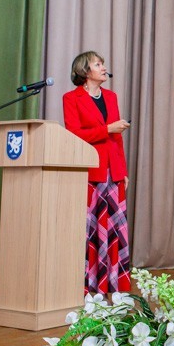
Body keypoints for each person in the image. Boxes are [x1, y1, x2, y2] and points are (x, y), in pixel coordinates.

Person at [62, 50, 132, 294]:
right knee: (92, 230)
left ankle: (114, 283)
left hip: (114, 172)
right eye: (98, 64)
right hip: (91, 171)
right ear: (84, 71)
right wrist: (107, 128)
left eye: (103, 64)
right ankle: (88, 284)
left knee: (115, 229)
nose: (103, 68)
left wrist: (122, 170)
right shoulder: (71, 99)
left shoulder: (111, 97)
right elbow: (74, 135)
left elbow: (117, 139)